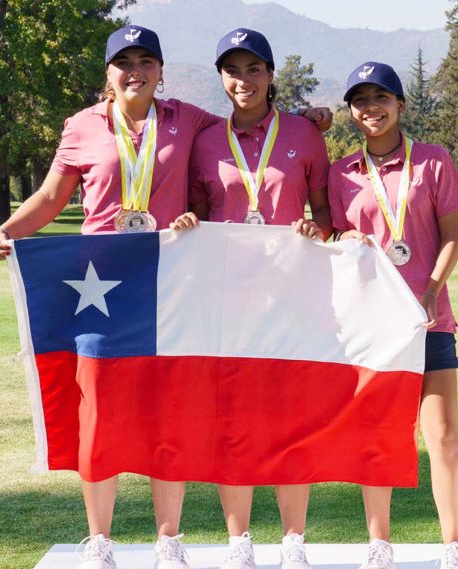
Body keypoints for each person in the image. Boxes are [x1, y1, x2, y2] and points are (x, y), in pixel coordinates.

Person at [0, 25, 331, 569]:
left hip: (170, 284)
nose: (136, 71)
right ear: (108, 73)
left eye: (146, 61)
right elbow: (51, 196)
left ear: (161, 70)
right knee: (100, 413)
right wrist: (7, 231)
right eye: (124, 62)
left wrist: (307, 119)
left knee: (169, 412)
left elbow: (248, 122)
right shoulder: (80, 126)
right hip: (100, 287)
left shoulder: (189, 120)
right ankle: (100, 540)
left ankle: (169, 539)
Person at [185, 28, 332, 569]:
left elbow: (325, 211)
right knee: (234, 424)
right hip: (227, 301)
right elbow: (198, 214)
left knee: (291, 421)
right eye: (233, 70)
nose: (243, 80)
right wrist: (189, 223)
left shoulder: (305, 133)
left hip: (292, 297)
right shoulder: (205, 138)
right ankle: (239, 541)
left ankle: (294, 540)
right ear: (220, 78)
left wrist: (318, 231)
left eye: (254, 69)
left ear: (271, 75)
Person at [327, 62, 458, 569]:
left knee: (442, 436)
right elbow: (335, 236)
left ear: (400, 104)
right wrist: (345, 237)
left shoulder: (432, 160)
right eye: (360, 100)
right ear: (351, 112)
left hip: (428, 321)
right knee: (378, 437)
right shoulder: (341, 173)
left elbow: (452, 237)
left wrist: (431, 291)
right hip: (372, 326)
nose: (372, 108)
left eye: (381, 97)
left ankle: (453, 546)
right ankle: (379, 545)